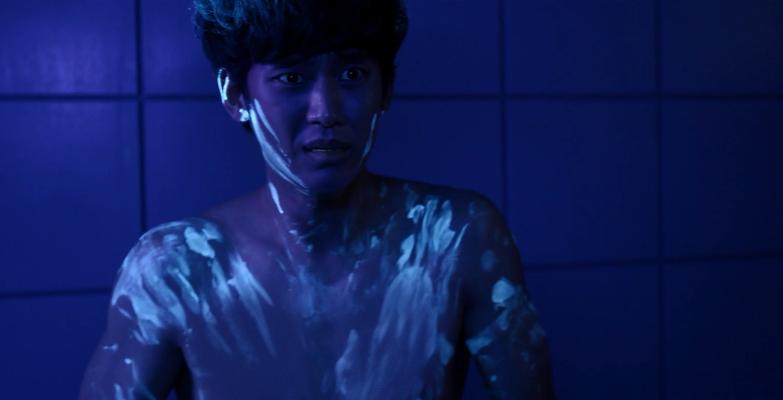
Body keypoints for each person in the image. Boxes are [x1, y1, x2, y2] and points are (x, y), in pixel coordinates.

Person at [79, 0, 554, 398]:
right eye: (292, 78)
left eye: (352, 74)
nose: (326, 111)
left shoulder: (457, 238)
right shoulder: (175, 270)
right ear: (234, 93)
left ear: (385, 89)